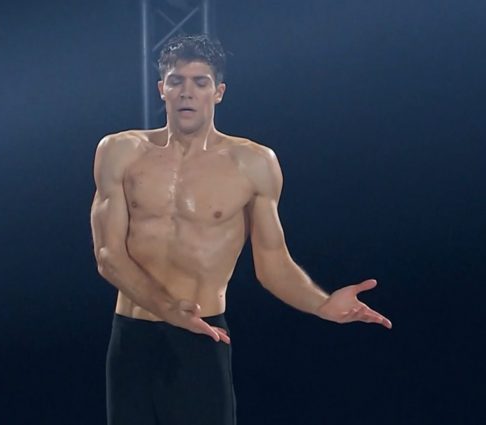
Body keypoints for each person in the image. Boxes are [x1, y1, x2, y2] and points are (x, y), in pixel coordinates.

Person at [90, 34, 392, 425]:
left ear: (218, 92)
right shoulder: (119, 151)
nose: (187, 92)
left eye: (200, 82)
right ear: (162, 89)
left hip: (202, 338)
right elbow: (108, 255)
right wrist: (167, 308)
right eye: (177, 81)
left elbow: (273, 263)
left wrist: (321, 304)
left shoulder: (252, 163)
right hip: (133, 338)